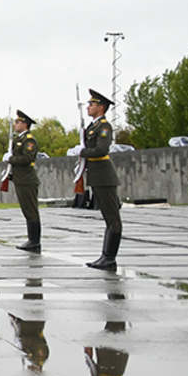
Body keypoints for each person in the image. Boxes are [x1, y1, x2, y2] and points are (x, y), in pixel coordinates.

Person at [70, 89, 122, 270]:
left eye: (91, 104)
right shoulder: (93, 127)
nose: (88, 107)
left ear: (101, 107)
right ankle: (105, 256)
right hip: (97, 177)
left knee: (112, 218)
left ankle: (109, 258)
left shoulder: (104, 127)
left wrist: (82, 151)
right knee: (108, 218)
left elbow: (101, 150)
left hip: (104, 176)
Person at [7, 110, 41, 252]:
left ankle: (34, 241)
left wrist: (11, 159)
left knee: (31, 210)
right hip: (20, 179)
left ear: (25, 124)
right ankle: (31, 239)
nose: (15, 124)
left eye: (17, 122)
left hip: (27, 179)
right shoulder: (18, 139)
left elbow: (27, 158)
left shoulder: (29, 140)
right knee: (27, 210)